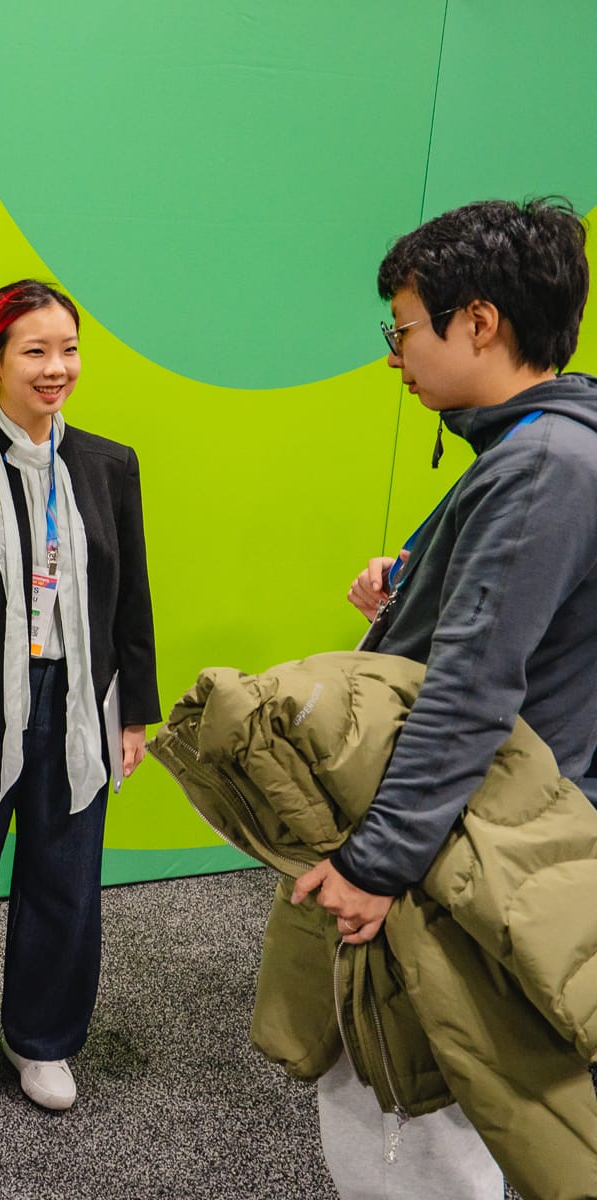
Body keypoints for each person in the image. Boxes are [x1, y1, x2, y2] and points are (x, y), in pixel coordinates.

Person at [291, 197, 597, 1194]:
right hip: (505, 822)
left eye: (405, 329)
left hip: (474, 839)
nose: (396, 356)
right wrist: (422, 576)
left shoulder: (541, 465)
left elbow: (470, 690)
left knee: (411, 1103)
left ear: (479, 322)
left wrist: (375, 862)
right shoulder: (554, 446)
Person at [0, 278, 159, 1110]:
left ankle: (43, 1039)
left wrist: (135, 713)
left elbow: (133, 597)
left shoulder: (109, 465)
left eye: (69, 350)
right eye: (35, 351)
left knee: (67, 876)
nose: (56, 369)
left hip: (79, 704)